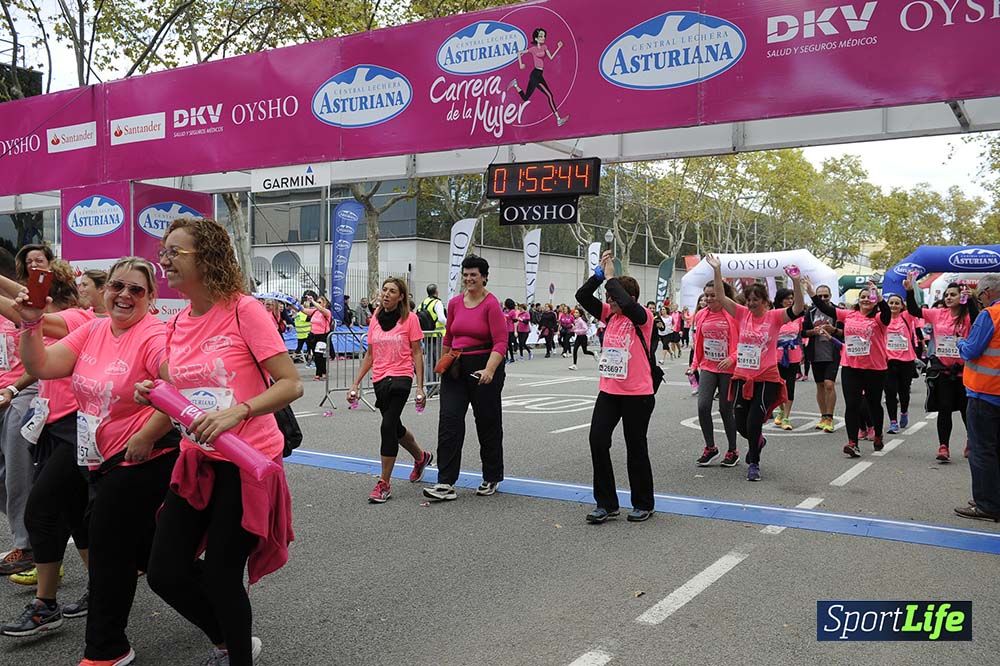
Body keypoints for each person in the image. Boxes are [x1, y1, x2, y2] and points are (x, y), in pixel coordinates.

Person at [138, 217, 301, 666]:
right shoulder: (175, 323)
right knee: (164, 572)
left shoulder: (242, 309)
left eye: (174, 252)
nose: (164, 260)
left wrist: (238, 412)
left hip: (250, 462)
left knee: (222, 574)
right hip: (197, 459)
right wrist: (153, 392)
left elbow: (290, 384)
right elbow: (182, 390)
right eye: (164, 251)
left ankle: (237, 657)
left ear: (206, 257)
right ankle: (230, 639)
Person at [17, 257, 181, 665]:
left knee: (108, 548)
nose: (124, 295)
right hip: (96, 454)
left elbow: (180, 385)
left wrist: (146, 434)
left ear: (152, 298)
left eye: (136, 290)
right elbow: (41, 365)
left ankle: (106, 650)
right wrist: (30, 323)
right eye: (117, 286)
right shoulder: (93, 329)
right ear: (106, 290)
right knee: (154, 561)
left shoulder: (154, 334)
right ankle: (224, 618)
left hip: (144, 456)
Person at [0, 260, 95, 634]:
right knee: (75, 515)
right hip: (52, 426)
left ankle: (45, 604)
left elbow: (16, 310)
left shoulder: (76, 320)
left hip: (75, 430)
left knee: (41, 509)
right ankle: (97, 589)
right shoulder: (52, 321)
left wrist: (22, 306)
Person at [705, 255, 805, 482]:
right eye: (748, 300)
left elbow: (798, 308)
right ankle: (757, 441)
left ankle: (754, 463)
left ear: (765, 302)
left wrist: (796, 282)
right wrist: (717, 270)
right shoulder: (741, 314)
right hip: (742, 375)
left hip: (766, 377)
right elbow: (721, 296)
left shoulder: (774, 317)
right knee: (741, 424)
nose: (751, 304)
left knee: (754, 421)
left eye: (755, 300)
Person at [575, 251, 656, 523]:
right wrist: (599, 274)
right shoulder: (610, 316)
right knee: (597, 441)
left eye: (614, 297)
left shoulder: (642, 317)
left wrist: (612, 278)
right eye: (609, 299)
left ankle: (643, 502)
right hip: (609, 391)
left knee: (635, 447)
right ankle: (606, 503)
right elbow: (583, 297)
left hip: (638, 394)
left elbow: (626, 303)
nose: (609, 302)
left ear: (628, 298)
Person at [423, 256, 507, 501]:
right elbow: (449, 336)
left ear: (484, 277)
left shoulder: (492, 304)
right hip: (456, 367)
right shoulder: (455, 303)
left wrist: (490, 370)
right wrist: (444, 361)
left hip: (484, 366)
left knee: (487, 422)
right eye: (466, 274)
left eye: (474, 275)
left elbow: (501, 341)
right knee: (449, 421)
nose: (469, 279)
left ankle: (491, 476)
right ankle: (445, 483)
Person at [350, 278, 433, 504]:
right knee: (394, 426)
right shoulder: (375, 319)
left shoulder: (410, 319)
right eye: (384, 290)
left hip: (401, 377)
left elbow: (417, 353)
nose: (386, 294)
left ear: (401, 297)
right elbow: (370, 353)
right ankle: (421, 456)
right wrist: (356, 383)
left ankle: (384, 483)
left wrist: (420, 386)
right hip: (380, 379)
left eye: (392, 291)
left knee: (387, 426)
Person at [809, 282, 891, 457]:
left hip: (875, 368)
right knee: (852, 405)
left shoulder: (878, 319)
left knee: (873, 404)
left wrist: (880, 297)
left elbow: (887, 315)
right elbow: (825, 308)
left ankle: (878, 434)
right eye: (862, 297)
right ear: (858, 300)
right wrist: (810, 291)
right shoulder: (849, 315)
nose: (866, 300)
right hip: (851, 367)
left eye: (869, 297)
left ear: (875, 301)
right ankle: (852, 442)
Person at [906, 278, 979, 461]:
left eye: (953, 295)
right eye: (946, 295)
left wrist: (970, 300)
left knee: (965, 410)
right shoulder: (938, 313)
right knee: (944, 409)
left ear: (960, 297)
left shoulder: (969, 316)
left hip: (964, 371)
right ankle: (943, 446)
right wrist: (909, 292)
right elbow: (914, 310)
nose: (948, 297)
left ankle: (972, 441)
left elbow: (978, 320)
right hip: (943, 371)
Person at [0, 249, 40, 577]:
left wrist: (12, 390)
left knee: (17, 474)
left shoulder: (20, 308)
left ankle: (27, 546)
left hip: (21, 394)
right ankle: (32, 538)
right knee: (5, 480)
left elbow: (38, 361)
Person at [956, 274, 1000, 521]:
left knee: (982, 450)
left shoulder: (990, 315)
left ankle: (986, 504)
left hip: (985, 392)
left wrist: (961, 343)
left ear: (986, 294)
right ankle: (993, 497)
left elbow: (972, 350)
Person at [691, 280, 740, 467]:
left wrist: (733, 358)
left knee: (726, 410)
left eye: (713, 295)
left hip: (728, 368)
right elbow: (698, 343)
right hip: (708, 366)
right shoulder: (701, 315)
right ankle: (710, 448)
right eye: (706, 295)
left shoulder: (733, 314)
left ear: (722, 295)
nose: (709, 299)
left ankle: (732, 450)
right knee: (703, 406)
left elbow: (742, 341)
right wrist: (694, 364)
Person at [508, 28, 569, 127]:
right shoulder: (533, 49)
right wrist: (521, 64)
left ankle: (515, 85)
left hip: (539, 74)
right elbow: (519, 53)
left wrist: (559, 47)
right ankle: (558, 119)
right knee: (549, 95)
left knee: (525, 98)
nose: (543, 38)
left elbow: (551, 57)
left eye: (544, 36)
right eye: (541, 36)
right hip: (535, 75)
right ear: (536, 38)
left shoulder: (544, 47)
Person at [802, 284, 843, 433]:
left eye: (826, 295)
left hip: (832, 353)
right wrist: (813, 331)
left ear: (831, 296)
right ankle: (823, 416)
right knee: (820, 385)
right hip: (816, 353)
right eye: (820, 296)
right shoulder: (811, 312)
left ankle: (830, 417)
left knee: (829, 384)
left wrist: (834, 331)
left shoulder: (837, 311)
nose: (823, 299)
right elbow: (803, 332)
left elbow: (846, 331)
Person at [884, 293, 919, 434]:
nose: (893, 306)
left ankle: (904, 412)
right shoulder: (883, 318)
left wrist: (910, 290)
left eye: (896, 303)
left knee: (904, 392)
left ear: (901, 306)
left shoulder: (906, 316)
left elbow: (913, 307)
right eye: (891, 303)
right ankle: (893, 422)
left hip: (906, 361)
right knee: (890, 392)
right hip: (888, 361)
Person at [774, 288, 804, 431]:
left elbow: (801, 334)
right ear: (780, 300)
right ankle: (780, 409)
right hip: (776, 355)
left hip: (793, 354)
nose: (790, 301)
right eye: (787, 298)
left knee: (790, 385)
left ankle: (786, 416)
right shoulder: (774, 315)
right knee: (777, 385)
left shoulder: (798, 316)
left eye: (792, 298)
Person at [303, 295, 332, 381]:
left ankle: (318, 374)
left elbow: (321, 309)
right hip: (313, 336)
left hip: (322, 336)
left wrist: (313, 301)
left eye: (319, 302)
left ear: (324, 304)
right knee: (315, 356)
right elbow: (302, 310)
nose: (317, 304)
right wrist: (293, 303)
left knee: (320, 355)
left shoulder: (326, 312)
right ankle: (323, 372)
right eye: (317, 302)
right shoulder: (314, 312)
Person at [503, 298, 518, 364]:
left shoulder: (512, 312)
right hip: (504, 329)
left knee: (509, 344)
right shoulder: (505, 311)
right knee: (505, 344)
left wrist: (515, 331)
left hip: (510, 329)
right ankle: (506, 357)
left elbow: (515, 322)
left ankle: (511, 357)